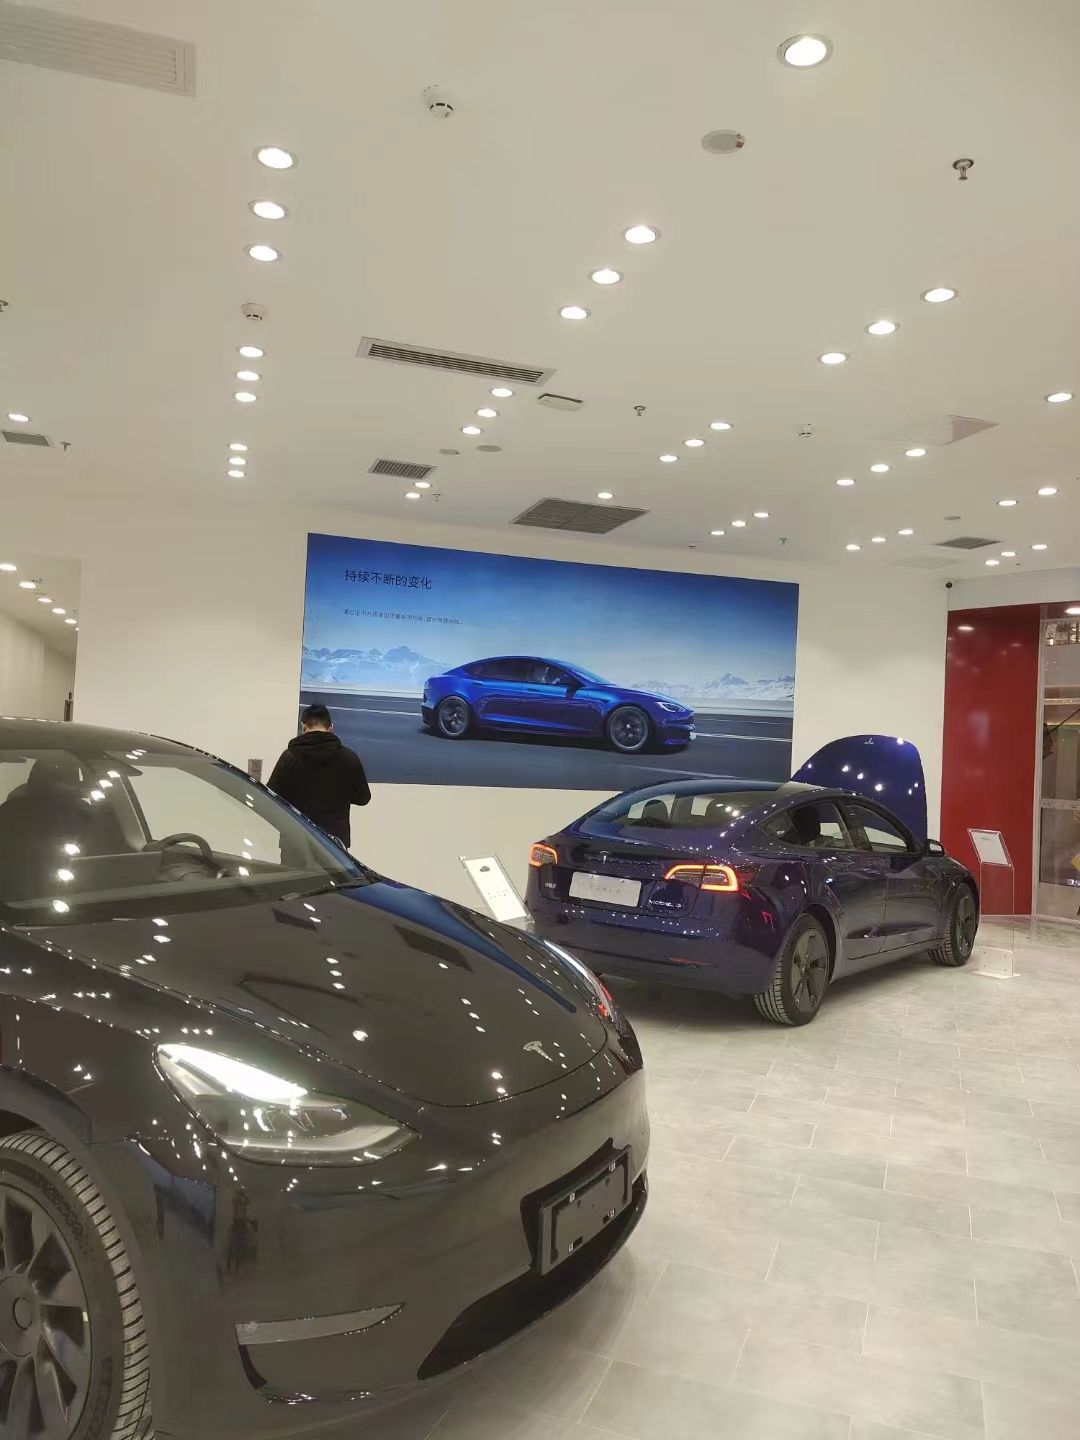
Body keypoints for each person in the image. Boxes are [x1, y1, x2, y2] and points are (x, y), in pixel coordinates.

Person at [268, 703, 370, 847]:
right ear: (331, 728)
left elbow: (271, 797)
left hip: (296, 842)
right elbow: (363, 798)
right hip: (334, 846)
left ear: (303, 727)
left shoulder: (289, 757)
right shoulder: (349, 757)